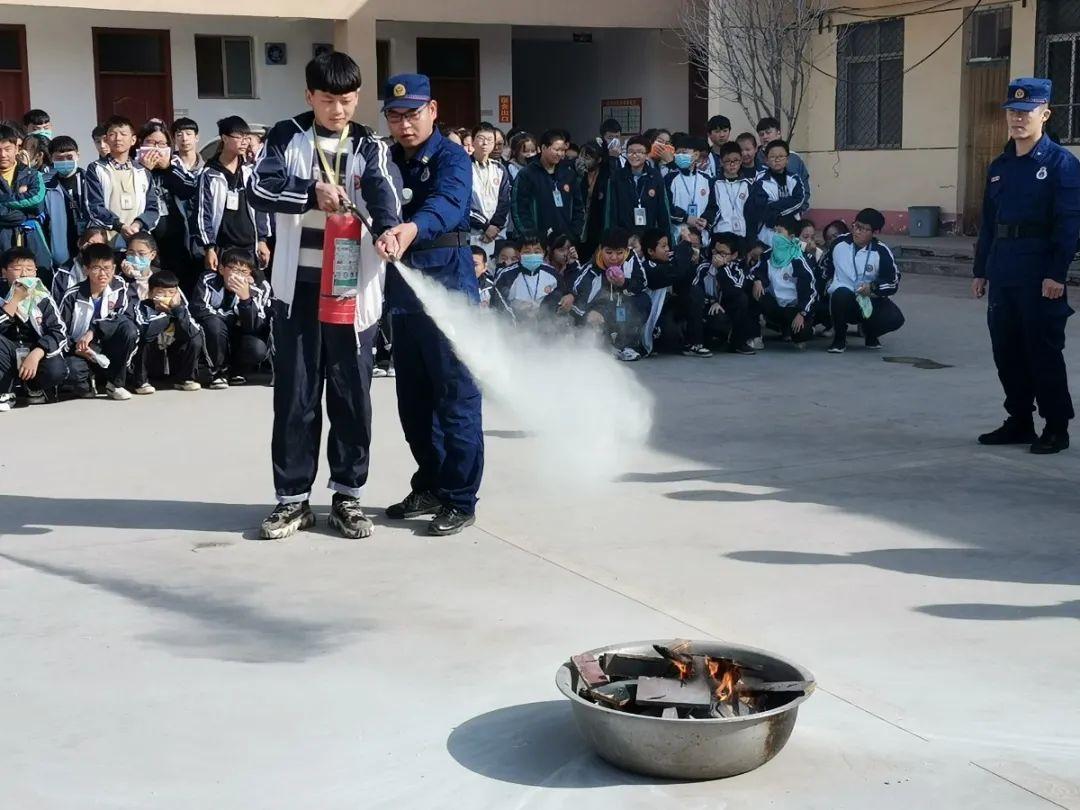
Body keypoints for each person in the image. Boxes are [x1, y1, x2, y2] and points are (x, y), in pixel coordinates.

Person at [248, 50, 403, 540]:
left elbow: (383, 195)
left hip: (352, 291)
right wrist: (309, 191)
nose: (340, 110)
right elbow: (259, 188)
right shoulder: (285, 135)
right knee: (295, 394)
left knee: (352, 393)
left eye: (349, 100)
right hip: (298, 290)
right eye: (330, 99)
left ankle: (348, 495)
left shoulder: (369, 145)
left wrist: (388, 231)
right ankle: (292, 500)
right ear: (309, 96)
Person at [377, 72, 484, 536]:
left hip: (448, 286)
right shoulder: (383, 159)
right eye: (395, 116)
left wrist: (411, 229)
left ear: (433, 111)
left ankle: (460, 497)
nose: (404, 125)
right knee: (413, 401)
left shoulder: (452, 158)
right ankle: (431, 483)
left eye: (413, 114)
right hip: (401, 292)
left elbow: (446, 204)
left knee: (455, 396)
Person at [973, 77, 1080, 454]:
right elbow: (989, 221)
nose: (1017, 119)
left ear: (1045, 114)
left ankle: (1056, 425)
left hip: (1038, 273)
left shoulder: (1061, 164)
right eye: (1013, 112)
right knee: (1006, 349)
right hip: (1004, 270)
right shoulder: (1000, 166)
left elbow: (1069, 223)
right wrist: (981, 269)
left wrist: (1056, 272)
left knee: (1042, 350)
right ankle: (1019, 419)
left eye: (1026, 111)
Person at [59, 241, 140, 400]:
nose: (102, 274)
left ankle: (115, 384)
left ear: (114, 269)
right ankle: (89, 382)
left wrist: (94, 330)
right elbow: (60, 330)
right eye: (96, 268)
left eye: (107, 268)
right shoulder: (72, 296)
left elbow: (123, 317)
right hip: (80, 350)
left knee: (129, 329)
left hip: (108, 345)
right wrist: (75, 348)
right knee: (72, 371)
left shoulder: (119, 287)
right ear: (86, 270)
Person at [820, 208, 904, 353]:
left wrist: (873, 288)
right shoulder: (839, 244)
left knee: (895, 319)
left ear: (874, 233)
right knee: (840, 294)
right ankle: (839, 339)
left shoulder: (881, 251)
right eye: (856, 226)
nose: (857, 232)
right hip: (842, 298)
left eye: (864, 229)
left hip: (868, 299)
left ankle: (871, 333)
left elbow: (893, 281)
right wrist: (826, 285)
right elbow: (824, 267)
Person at [195, 116, 271, 275]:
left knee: (254, 292)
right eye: (239, 137)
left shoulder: (250, 172)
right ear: (224, 138)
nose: (245, 142)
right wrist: (209, 247)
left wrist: (262, 240)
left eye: (247, 137)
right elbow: (203, 213)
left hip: (250, 248)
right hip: (224, 248)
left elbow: (260, 208)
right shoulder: (209, 174)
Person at [190, 247, 272, 388]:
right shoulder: (208, 279)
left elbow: (256, 325)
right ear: (221, 269)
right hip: (217, 330)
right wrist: (230, 317)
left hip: (241, 334)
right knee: (214, 324)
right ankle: (219, 372)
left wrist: (245, 299)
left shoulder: (258, 287)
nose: (238, 275)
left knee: (257, 348)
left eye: (243, 271)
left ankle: (237, 371)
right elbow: (199, 308)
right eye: (234, 270)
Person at [0, 246, 67, 408]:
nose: (24, 274)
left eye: (29, 269)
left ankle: (33, 387)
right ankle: (5, 391)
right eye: (17, 269)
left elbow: (59, 332)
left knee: (57, 369)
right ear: (4, 273)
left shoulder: (43, 297)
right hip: (7, 352)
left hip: (34, 350)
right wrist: (15, 300)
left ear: (35, 273)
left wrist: (37, 352)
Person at [571, 226, 650, 361]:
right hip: (602, 310)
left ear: (626, 250)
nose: (614, 258)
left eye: (619, 253)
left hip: (625, 308)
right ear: (601, 250)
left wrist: (624, 282)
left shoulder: (631, 258)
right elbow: (577, 291)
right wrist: (588, 315)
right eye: (609, 252)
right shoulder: (592, 267)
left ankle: (628, 345)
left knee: (643, 300)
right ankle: (605, 345)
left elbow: (642, 283)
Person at [84, 115, 160, 249]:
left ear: (133, 139)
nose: (118, 138)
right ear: (106, 139)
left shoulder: (143, 171)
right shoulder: (96, 169)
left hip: (137, 241)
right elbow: (94, 206)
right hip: (106, 240)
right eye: (112, 134)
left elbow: (153, 208)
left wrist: (137, 225)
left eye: (123, 134)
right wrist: (120, 226)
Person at [132, 270, 204, 395]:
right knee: (143, 340)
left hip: (174, 357)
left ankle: (185, 379)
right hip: (153, 358)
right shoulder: (142, 307)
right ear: (150, 293)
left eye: (171, 293)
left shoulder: (180, 307)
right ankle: (141, 382)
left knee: (194, 339)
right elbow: (146, 333)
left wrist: (176, 310)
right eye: (161, 293)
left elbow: (192, 332)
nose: (167, 296)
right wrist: (164, 315)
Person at [642, 228, 710, 357]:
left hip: (670, 308)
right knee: (669, 336)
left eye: (668, 245)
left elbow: (684, 280)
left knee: (693, 293)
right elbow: (675, 272)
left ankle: (694, 343)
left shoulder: (668, 262)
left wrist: (692, 263)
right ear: (651, 251)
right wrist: (684, 244)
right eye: (663, 246)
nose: (667, 249)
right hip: (652, 313)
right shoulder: (648, 267)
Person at [751, 214, 816, 347]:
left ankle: (794, 330)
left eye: (779, 232)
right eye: (775, 231)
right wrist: (758, 280)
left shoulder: (799, 260)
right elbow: (756, 272)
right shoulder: (767, 255)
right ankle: (755, 335)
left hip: (793, 308)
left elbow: (810, 290)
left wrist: (802, 312)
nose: (775, 235)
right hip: (774, 304)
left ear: (791, 237)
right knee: (752, 290)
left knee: (802, 333)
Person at [510, 128, 584, 242]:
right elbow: (519, 208)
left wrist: (574, 233)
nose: (560, 154)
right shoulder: (527, 174)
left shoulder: (569, 174)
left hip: (565, 240)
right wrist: (529, 235)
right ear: (543, 148)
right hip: (537, 241)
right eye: (556, 149)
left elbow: (578, 207)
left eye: (563, 150)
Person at [0, 123, 51, 274]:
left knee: (39, 280)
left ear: (17, 148)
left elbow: (37, 200)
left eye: (7, 149)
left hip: (31, 237)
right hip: (3, 238)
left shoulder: (31, 174)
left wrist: (3, 200)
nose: (3, 155)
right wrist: (23, 213)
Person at [604, 136, 671, 236]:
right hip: (623, 237)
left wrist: (666, 239)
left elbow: (662, 212)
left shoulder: (655, 177)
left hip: (649, 237)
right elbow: (612, 211)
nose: (634, 155)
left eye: (639, 152)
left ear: (647, 155)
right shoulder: (617, 177)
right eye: (630, 152)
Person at [747, 139, 806, 248]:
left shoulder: (794, 179)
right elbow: (761, 206)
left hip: (792, 230)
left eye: (781, 156)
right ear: (766, 160)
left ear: (787, 159)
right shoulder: (760, 180)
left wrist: (775, 208)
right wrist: (783, 205)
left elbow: (799, 200)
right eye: (773, 157)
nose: (777, 160)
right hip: (768, 232)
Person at [494, 232, 563, 323]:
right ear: (518, 253)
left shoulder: (552, 273)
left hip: (546, 326)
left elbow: (562, 295)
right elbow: (497, 304)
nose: (532, 255)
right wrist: (516, 308)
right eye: (527, 252)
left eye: (537, 252)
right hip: (515, 326)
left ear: (544, 253)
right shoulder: (506, 275)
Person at [707, 231, 757, 354]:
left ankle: (737, 343)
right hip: (707, 306)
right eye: (716, 252)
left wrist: (722, 269)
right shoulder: (704, 266)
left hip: (725, 309)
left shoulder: (737, 269)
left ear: (734, 255)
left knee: (742, 299)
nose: (717, 256)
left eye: (723, 254)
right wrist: (713, 301)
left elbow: (735, 290)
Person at [44, 136, 88, 271]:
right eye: (59, 158)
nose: (65, 161)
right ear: (51, 159)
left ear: (78, 155)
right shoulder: (46, 186)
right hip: (60, 254)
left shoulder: (89, 180)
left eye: (69, 157)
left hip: (87, 248)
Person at [468, 122, 510, 258]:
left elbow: (504, 201)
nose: (485, 143)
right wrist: (485, 227)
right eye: (481, 139)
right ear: (473, 142)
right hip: (473, 232)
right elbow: (463, 203)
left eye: (490, 140)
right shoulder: (463, 167)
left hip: (496, 234)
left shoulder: (499, 169)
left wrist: (494, 226)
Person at [665, 135, 716, 245]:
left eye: (684, 152)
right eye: (677, 153)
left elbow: (713, 206)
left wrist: (705, 220)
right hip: (678, 235)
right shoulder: (670, 178)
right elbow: (666, 206)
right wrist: (686, 218)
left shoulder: (707, 179)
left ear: (696, 155)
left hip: (702, 236)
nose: (680, 156)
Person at [755, 117, 810, 211]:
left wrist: (799, 211)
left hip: (793, 216)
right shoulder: (755, 159)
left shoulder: (794, 159)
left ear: (778, 133)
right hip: (765, 218)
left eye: (768, 132)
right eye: (761, 134)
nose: (765, 137)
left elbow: (805, 190)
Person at [51, 227, 108, 301]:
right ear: (80, 243)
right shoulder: (63, 274)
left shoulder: (109, 273)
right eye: (90, 244)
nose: (93, 249)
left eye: (98, 246)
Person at [711, 142, 752, 242]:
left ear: (741, 160)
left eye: (736, 160)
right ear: (721, 162)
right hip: (720, 234)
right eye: (727, 161)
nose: (732, 164)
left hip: (743, 234)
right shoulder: (714, 183)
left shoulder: (748, 184)